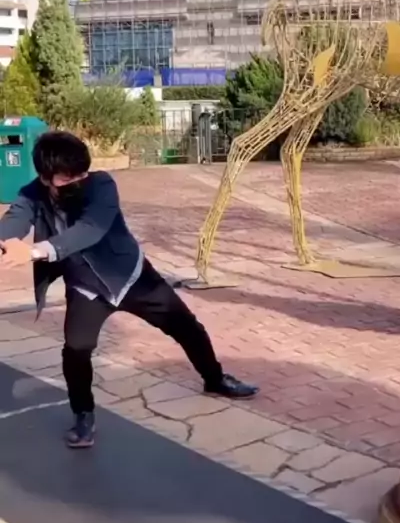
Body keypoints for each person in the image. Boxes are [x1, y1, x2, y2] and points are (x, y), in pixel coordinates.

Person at [0, 132, 258, 448]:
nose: (78, 180)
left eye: (81, 173)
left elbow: (90, 229)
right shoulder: (33, 193)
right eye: (68, 177)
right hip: (85, 288)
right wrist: (6, 242)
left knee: (186, 326)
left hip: (132, 277)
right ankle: (83, 414)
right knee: (76, 350)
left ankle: (215, 379)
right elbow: (13, 221)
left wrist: (34, 251)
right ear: (45, 177)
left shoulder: (101, 184)